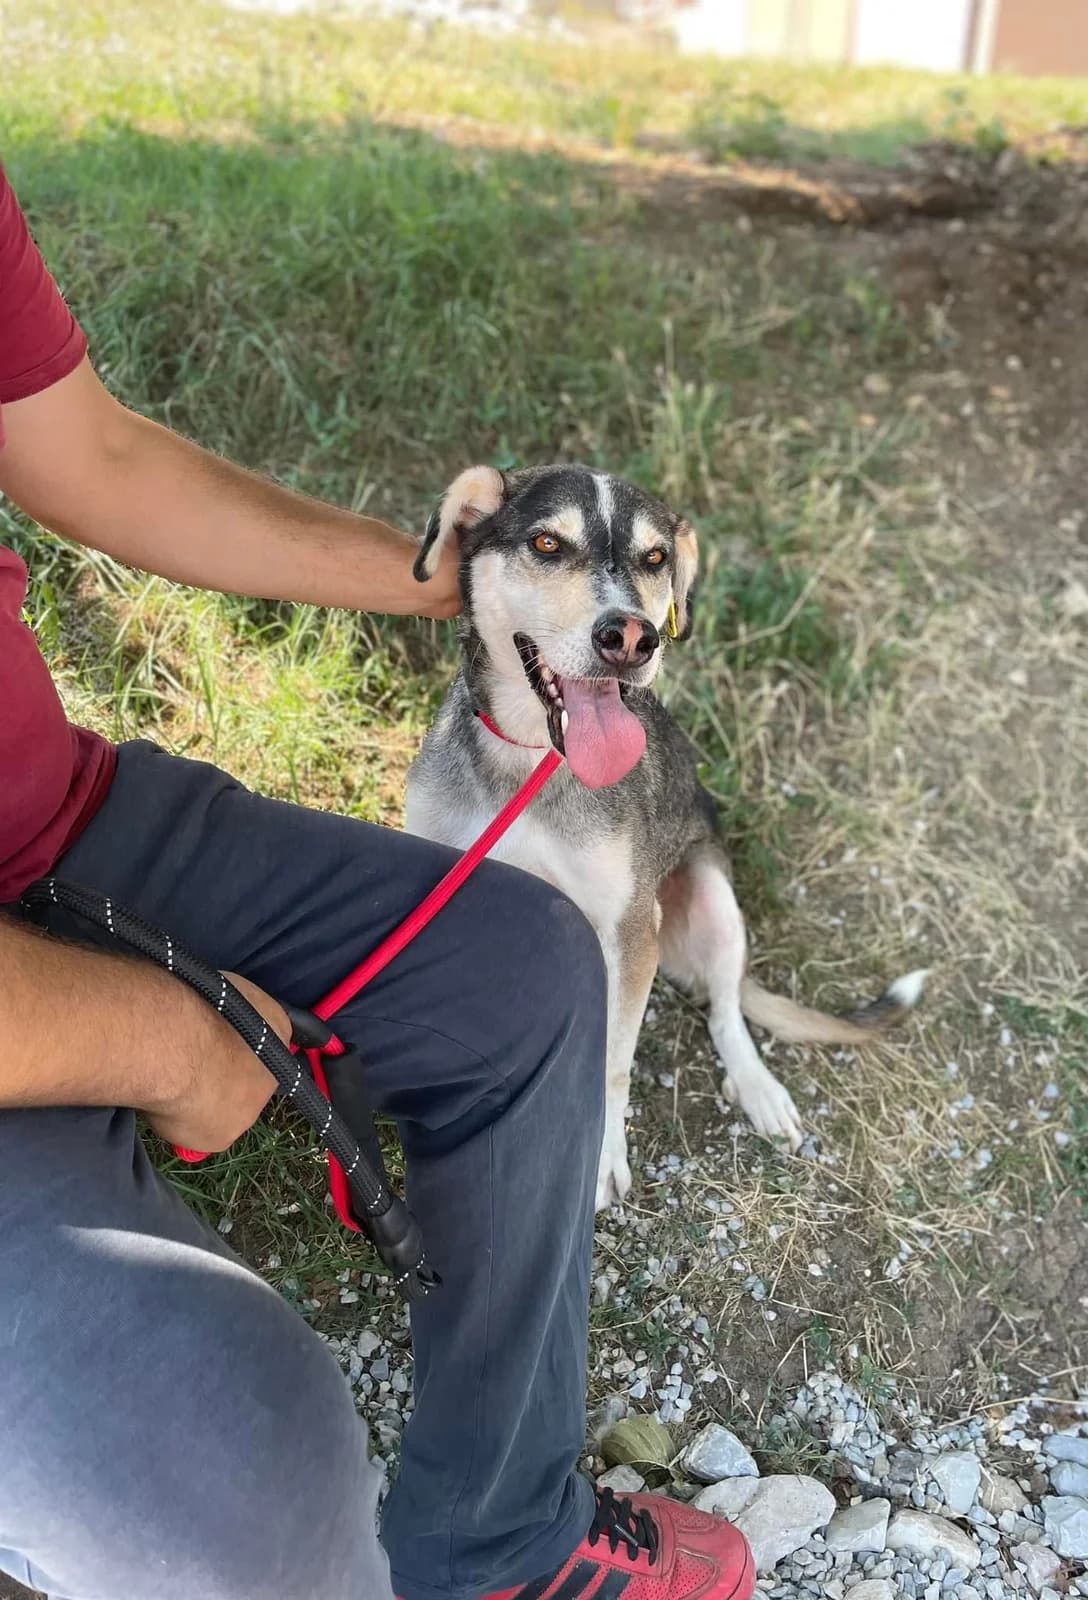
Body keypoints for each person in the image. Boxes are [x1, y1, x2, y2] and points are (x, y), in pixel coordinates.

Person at [0, 165, 754, 1600]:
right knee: (254, 1497)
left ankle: (500, 1537)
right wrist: (168, 1033)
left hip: (54, 817)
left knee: (531, 969)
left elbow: (86, 455)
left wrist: (443, 572)